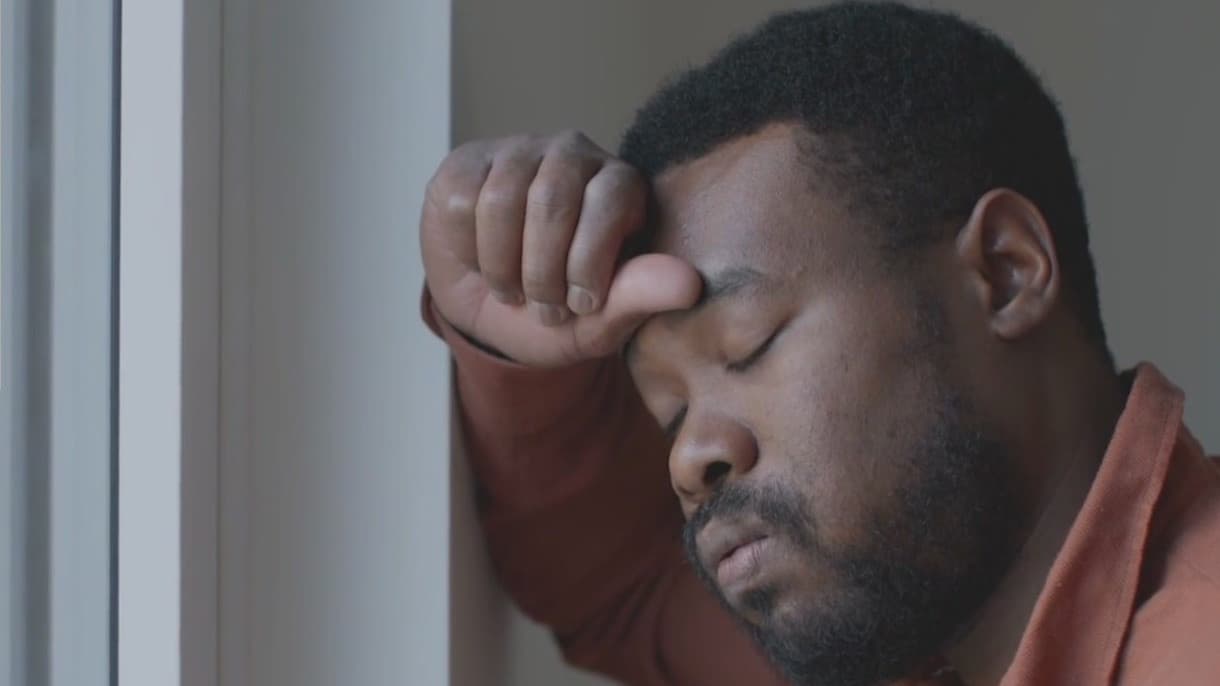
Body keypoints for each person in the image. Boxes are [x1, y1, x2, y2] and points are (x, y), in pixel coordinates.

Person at [419, 3, 1220, 685]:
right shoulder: (909, 620)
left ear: (1006, 272)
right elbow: (621, 586)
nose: (689, 461)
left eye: (750, 346)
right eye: (669, 415)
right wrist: (516, 310)